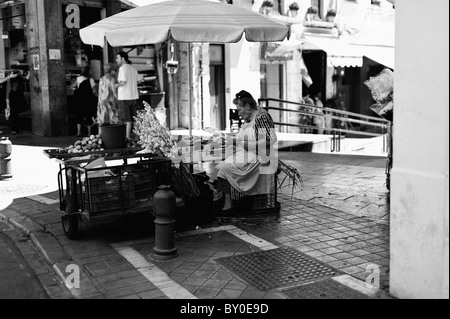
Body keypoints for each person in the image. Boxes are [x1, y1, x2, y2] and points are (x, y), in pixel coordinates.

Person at [213, 90, 278, 212]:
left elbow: (270, 140)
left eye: (239, 110)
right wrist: (228, 140)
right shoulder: (249, 119)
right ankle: (229, 201)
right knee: (221, 168)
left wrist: (249, 145)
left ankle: (229, 204)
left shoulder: (261, 117)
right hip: (248, 156)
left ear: (248, 107)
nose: (238, 114)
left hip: (261, 158)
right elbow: (241, 139)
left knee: (225, 168)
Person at [115, 51, 140, 139]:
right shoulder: (133, 69)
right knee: (134, 119)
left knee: (127, 119)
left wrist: (116, 85)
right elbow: (138, 81)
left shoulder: (122, 68)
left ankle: (127, 138)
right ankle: (137, 138)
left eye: (117, 58)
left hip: (124, 97)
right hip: (133, 96)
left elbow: (123, 82)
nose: (116, 60)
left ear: (123, 59)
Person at [72, 66, 98, 137]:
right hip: (88, 100)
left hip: (80, 100)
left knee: (79, 115)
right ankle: (89, 133)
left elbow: (72, 86)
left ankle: (78, 132)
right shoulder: (91, 80)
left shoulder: (78, 78)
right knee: (88, 115)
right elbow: (94, 91)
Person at [96, 63, 120, 135]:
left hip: (101, 102)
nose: (115, 72)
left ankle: (99, 137)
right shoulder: (111, 79)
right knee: (112, 121)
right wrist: (119, 100)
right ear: (111, 70)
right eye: (114, 70)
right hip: (110, 103)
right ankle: (111, 138)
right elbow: (114, 91)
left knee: (101, 122)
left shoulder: (102, 79)